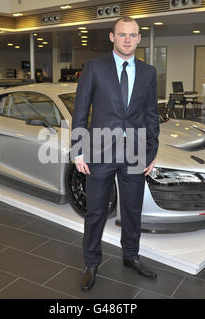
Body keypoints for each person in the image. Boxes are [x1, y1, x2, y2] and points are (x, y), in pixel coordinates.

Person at [71, 16, 160, 291]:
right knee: (96, 210)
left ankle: (131, 256)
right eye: (122, 34)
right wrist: (78, 150)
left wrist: (151, 151)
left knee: (133, 209)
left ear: (139, 39)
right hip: (100, 150)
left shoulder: (148, 72)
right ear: (112, 37)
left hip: (134, 152)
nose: (127, 40)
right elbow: (81, 111)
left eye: (132, 35)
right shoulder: (94, 68)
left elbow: (151, 115)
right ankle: (91, 262)